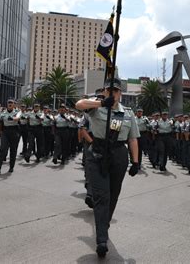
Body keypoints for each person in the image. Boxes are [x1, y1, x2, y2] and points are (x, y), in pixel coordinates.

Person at [75, 78, 140, 258]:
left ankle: (104, 224)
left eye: (116, 91)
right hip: (97, 154)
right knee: (101, 196)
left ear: (120, 93)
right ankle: (101, 240)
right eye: (108, 90)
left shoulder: (128, 113)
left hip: (119, 154)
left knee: (113, 195)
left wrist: (135, 161)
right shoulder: (96, 107)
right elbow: (79, 104)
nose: (112, 93)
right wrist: (102, 102)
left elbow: (133, 138)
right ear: (104, 91)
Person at [0, 99, 21, 174]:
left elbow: (18, 118)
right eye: (8, 103)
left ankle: (11, 167)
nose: (10, 104)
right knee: (2, 148)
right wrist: (0, 132)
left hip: (14, 131)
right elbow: (0, 122)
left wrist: (12, 118)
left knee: (13, 150)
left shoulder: (17, 112)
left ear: (14, 105)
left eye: (11, 103)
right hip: (5, 132)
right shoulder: (3, 113)